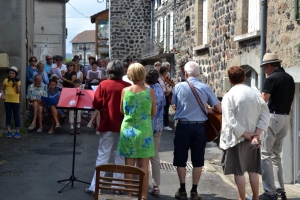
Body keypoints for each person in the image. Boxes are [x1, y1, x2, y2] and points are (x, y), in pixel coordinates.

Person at [171, 61, 221, 200]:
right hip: (200, 127)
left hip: (183, 126)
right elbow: (219, 109)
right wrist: (207, 109)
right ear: (198, 74)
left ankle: (182, 190)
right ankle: (194, 191)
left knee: (180, 158)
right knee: (198, 159)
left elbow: (174, 104)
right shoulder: (205, 87)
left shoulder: (179, 87)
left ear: (185, 73)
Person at [220, 66, 270, 200]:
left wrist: (245, 134)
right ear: (244, 78)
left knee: (239, 171)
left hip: (237, 138)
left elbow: (230, 120)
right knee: (253, 170)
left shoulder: (229, 96)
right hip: (253, 138)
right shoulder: (255, 93)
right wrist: (256, 135)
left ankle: (242, 199)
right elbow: (265, 115)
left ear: (230, 81)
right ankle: (255, 198)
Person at [85, 60, 131, 196]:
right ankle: (117, 186)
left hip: (108, 123)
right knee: (121, 156)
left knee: (103, 155)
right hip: (124, 124)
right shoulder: (127, 86)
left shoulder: (103, 84)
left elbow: (96, 104)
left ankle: (95, 187)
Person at [259, 53, 295, 200]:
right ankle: (280, 190)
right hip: (285, 117)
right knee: (276, 155)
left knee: (265, 154)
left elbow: (263, 101)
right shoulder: (290, 78)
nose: (264, 71)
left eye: (264, 68)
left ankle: (269, 192)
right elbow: (291, 102)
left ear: (269, 66)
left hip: (273, 117)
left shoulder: (271, 79)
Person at [117, 63, 156, 199]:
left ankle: (129, 195)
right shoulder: (149, 91)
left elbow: (122, 111)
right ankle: (143, 195)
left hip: (128, 130)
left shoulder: (125, 91)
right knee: (143, 165)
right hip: (144, 130)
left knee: (129, 165)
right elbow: (154, 112)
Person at [144, 65, 165, 198]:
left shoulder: (145, 90)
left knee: (143, 157)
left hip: (145, 126)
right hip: (157, 125)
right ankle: (156, 186)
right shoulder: (159, 89)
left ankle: (142, 185)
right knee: (155, 156)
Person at [0, 66, 21, 138]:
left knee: (16, 116)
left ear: (15, 74)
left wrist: (16, 84)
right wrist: (2, 95)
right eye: (10, 73)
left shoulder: (18, 81)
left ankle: (17, 132)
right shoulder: (6, 80)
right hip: (7, 100)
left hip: (15, 101)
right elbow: (1, 89)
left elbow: (18, 92)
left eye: (13, 73)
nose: (11, 75)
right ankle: (8, 131)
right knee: (8, 115)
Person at [158, 66, 174, 131]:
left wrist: (169, 91)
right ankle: (161, 124)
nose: (166, 72)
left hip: (167, 95)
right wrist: (164, 91)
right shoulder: (158, 79)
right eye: (165, 71)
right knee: (161, 110)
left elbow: (171, 85)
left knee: (166, 109)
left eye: (167, 71)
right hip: (162, 96)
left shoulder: (167, 78)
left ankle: (166, 124)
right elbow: (158, 87)